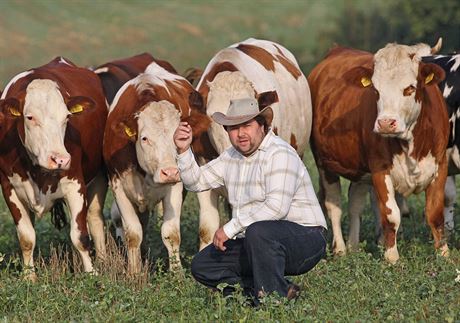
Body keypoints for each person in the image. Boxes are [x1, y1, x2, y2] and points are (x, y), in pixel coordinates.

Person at [173, 97, 327, 304]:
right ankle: (265, 293)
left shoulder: (279, 153)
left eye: (247, 125)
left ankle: (273, 301)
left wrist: (230, 227)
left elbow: (276, 208)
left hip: (306, 238)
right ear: (227, 132)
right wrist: (183, 151)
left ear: (262, 126)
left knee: (259, 231)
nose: (241, 134)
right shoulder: (231, 157)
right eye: (233, 128)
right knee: (203, 264)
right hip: (259, 242)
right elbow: (196, 182)